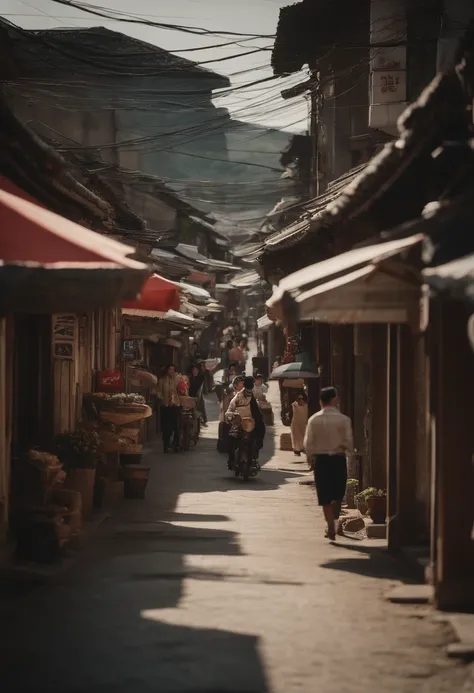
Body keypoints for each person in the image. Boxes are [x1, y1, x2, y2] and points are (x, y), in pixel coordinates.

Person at [304, 386, 354, 541]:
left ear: (321, 401)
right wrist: (349, 452)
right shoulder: (344, 419)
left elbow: (308, 443)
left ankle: (330, 525)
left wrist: (310, 458)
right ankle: (335, 523)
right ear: (334, 399)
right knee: (337, 494)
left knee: (324, 495)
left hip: (321, 461)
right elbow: (348, 441)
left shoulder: (314, 419)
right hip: (338, 458)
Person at [226, 376, 265, 468]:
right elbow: (230, 408)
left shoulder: (256, 393)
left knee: (258, 435)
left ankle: (254, 457)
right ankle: (231, 460)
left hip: (251, 424)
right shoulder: (238, 396)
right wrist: (231, 414)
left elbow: (261, 402)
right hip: (239, 424)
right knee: (231, 440)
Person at [157, 364, 182, 453]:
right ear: (167, 370)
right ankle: (166, 445)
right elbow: (159, 392)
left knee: (176, 426)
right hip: (166, 406)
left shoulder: (178, 379)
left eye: (173, 369)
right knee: (166, 428)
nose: (171, 371)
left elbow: (182, 389)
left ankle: (176, 444)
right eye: (170, 369)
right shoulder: (162, 380)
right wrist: (163, 400)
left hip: (175, 405)